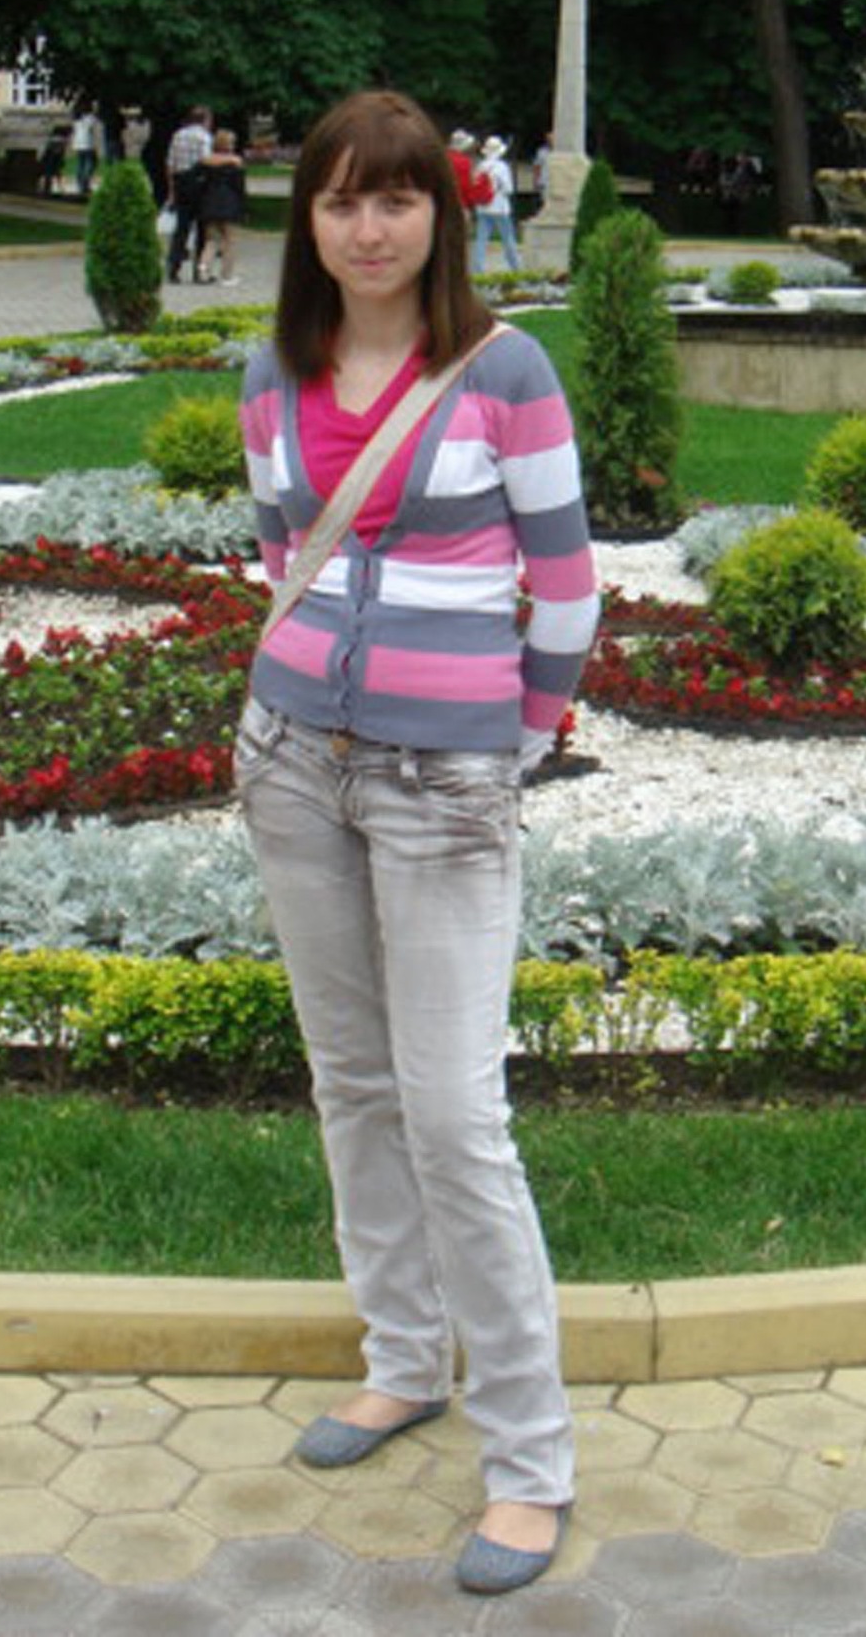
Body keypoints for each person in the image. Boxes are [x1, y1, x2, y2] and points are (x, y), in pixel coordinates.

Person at [234, 88, 597, 1597]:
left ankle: (530, 1461)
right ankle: (402, 1359)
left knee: (454, 1114)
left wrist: (513, 743)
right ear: (307, 221)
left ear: (442, 216)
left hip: (447, 783)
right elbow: (279, 551)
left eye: (396, 200)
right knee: (353, 1082)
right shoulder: (276, 370)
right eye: (340, 200)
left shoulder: (505, 372)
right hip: (291, 764)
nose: (368, 229)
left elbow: (566, 590)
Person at [165, 104, 212, 282]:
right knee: (202, 228)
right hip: (198, 183)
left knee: (181, 227)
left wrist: (172, 189)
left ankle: (174, 267)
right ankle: (199, 271)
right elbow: (206, 160)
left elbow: (170, 163)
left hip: (181, 181)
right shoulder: (204, 137)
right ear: (205, 120)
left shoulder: (178, 135)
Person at [192, 127, 247, 283]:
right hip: (229, 203)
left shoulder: (204, 162)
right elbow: (239, 187)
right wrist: (243, 206)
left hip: (209, 203)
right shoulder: (235, 163)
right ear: (228, 144)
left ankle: (203, 268)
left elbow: (196, 182)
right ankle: (227, 275)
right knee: (230, 241)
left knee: (211, 240)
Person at [471, 135, 519, 274]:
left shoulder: (480, 166)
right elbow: (508, 188)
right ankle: (515, 267)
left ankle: (478, 269)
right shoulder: (502, 167)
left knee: (481, 239)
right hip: (499, 208)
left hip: (483, 207)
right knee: (508, 238)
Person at [69, 104, 104, 198]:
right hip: (87, 143)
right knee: (92, 163)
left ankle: (80, 183)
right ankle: (85, 182)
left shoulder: (76, 118)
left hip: (77, 143)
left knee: (81, 164)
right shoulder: (89, 118)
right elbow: (97, 119)